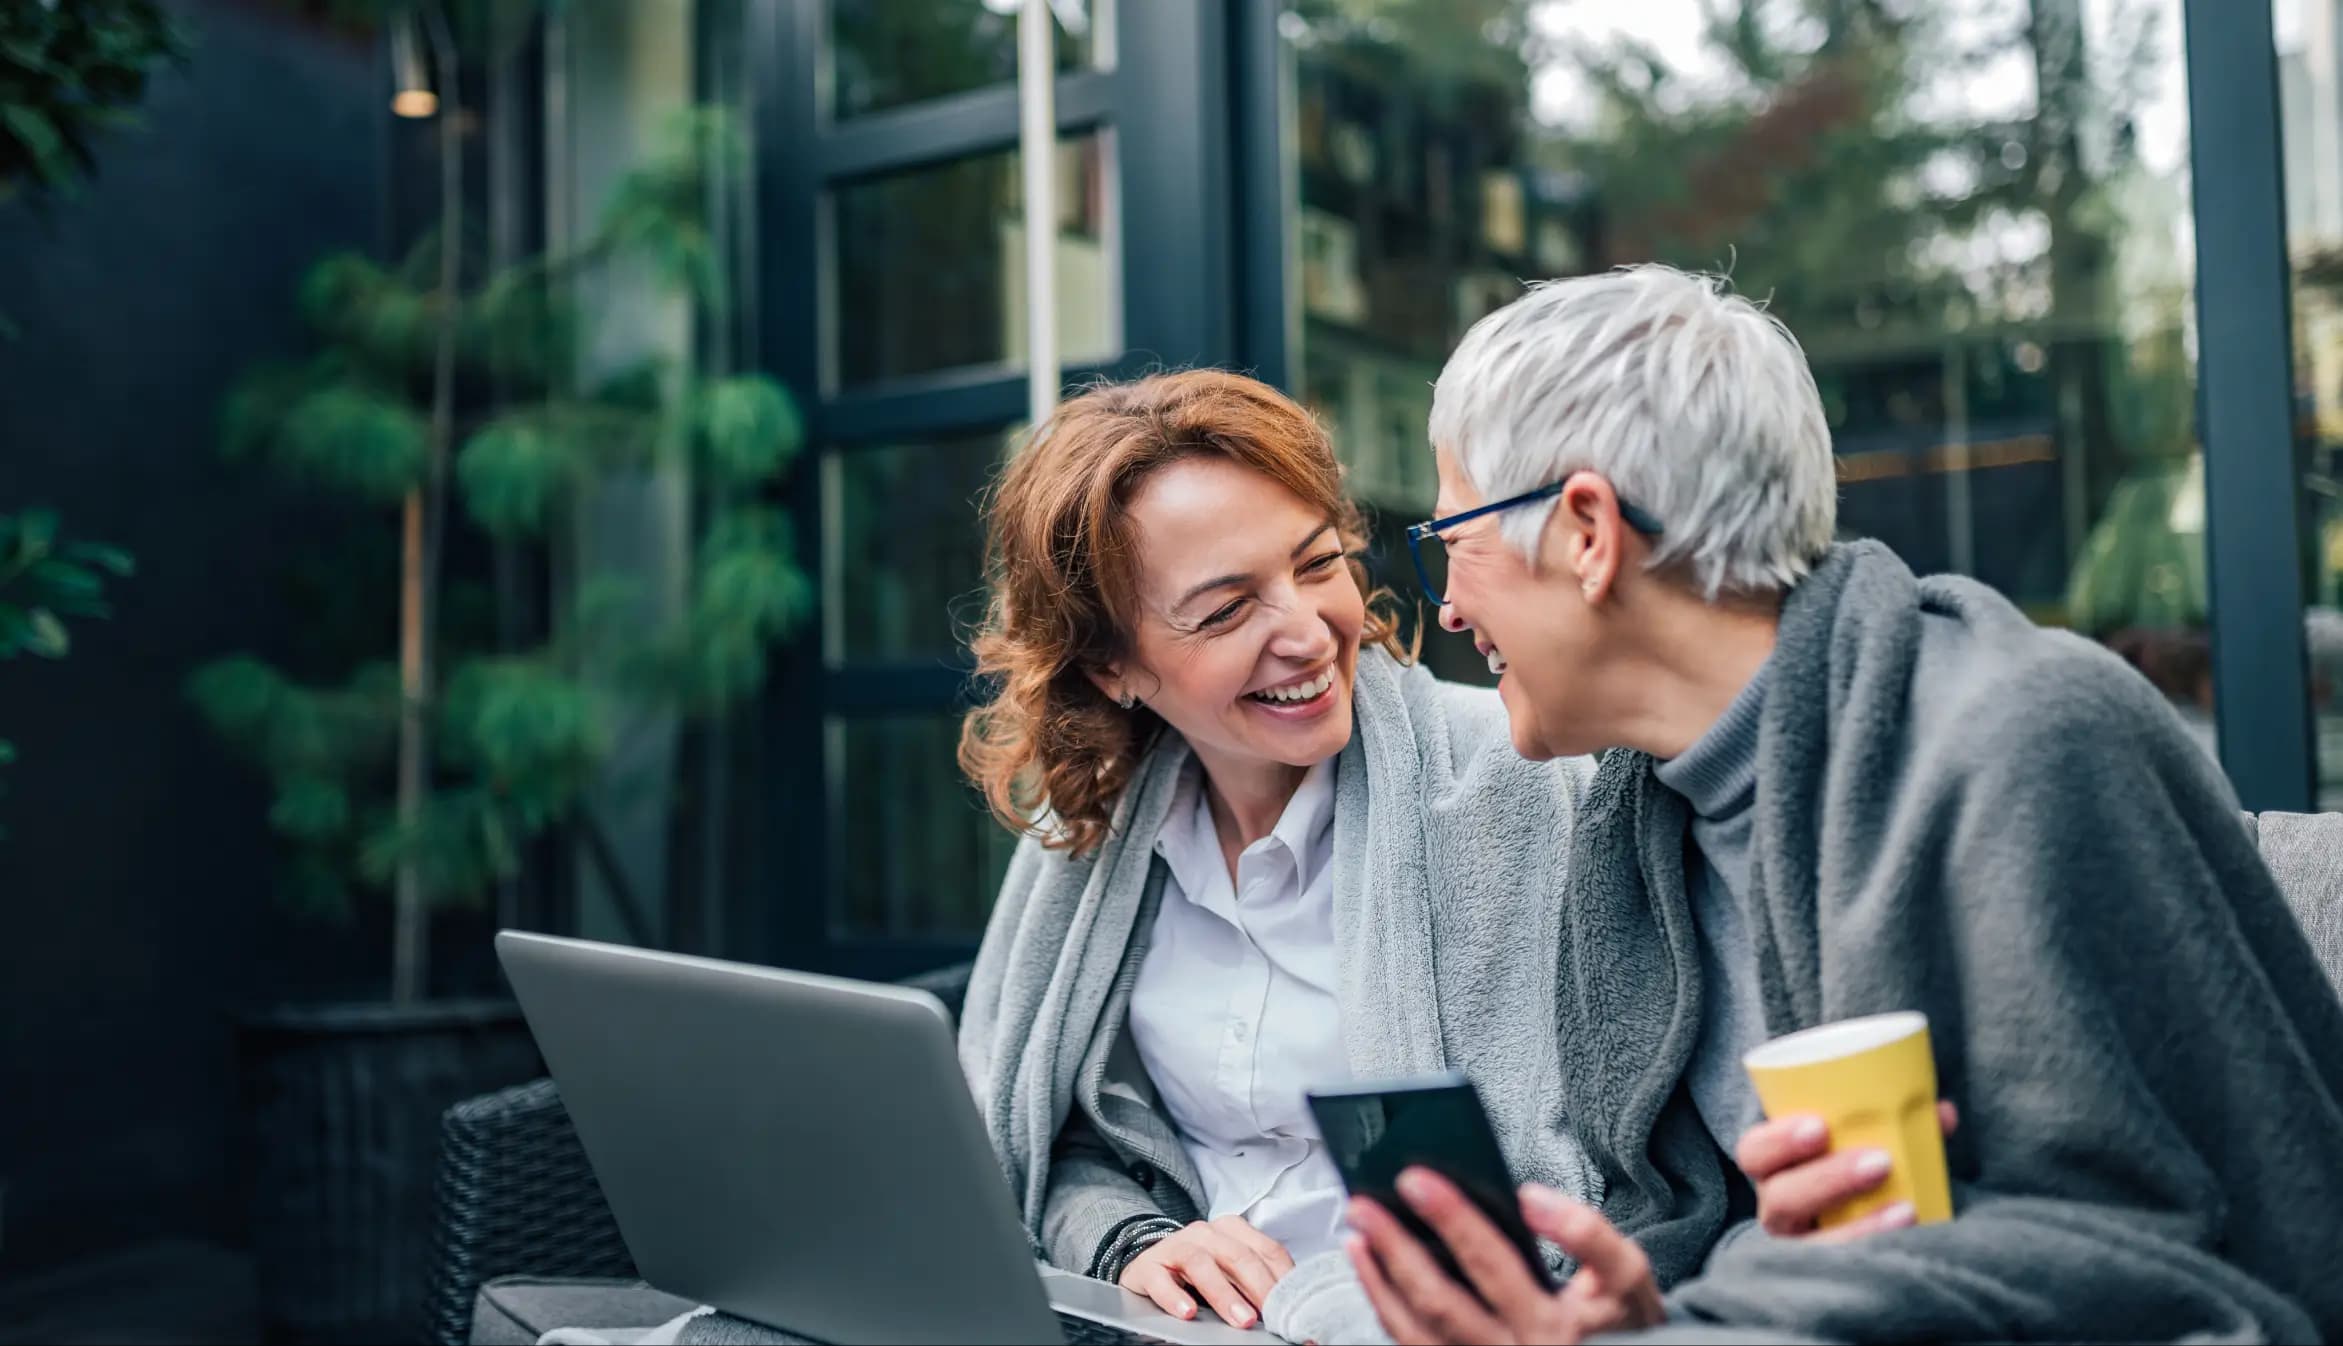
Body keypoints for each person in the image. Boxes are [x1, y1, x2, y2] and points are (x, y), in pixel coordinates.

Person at [1344, 265, 2343, 1343]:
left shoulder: (2028, 736)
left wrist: (1743, 1303)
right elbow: (1736, 1246)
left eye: (1454, 544)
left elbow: (2145, 1247)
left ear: (1587, 530)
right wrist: (1640, 1313)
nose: (1448, 608)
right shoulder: (1635, 829)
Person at [954, 370, 1600, 1346]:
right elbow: (1048, 1140)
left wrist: (1325, 1303)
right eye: (1224, 611)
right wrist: (1131, 1242)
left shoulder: (1516, 781)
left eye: (1317, 563)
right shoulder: (1089, 832)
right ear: (1111, 665)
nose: (1304, 633)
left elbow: (1607, 1170)